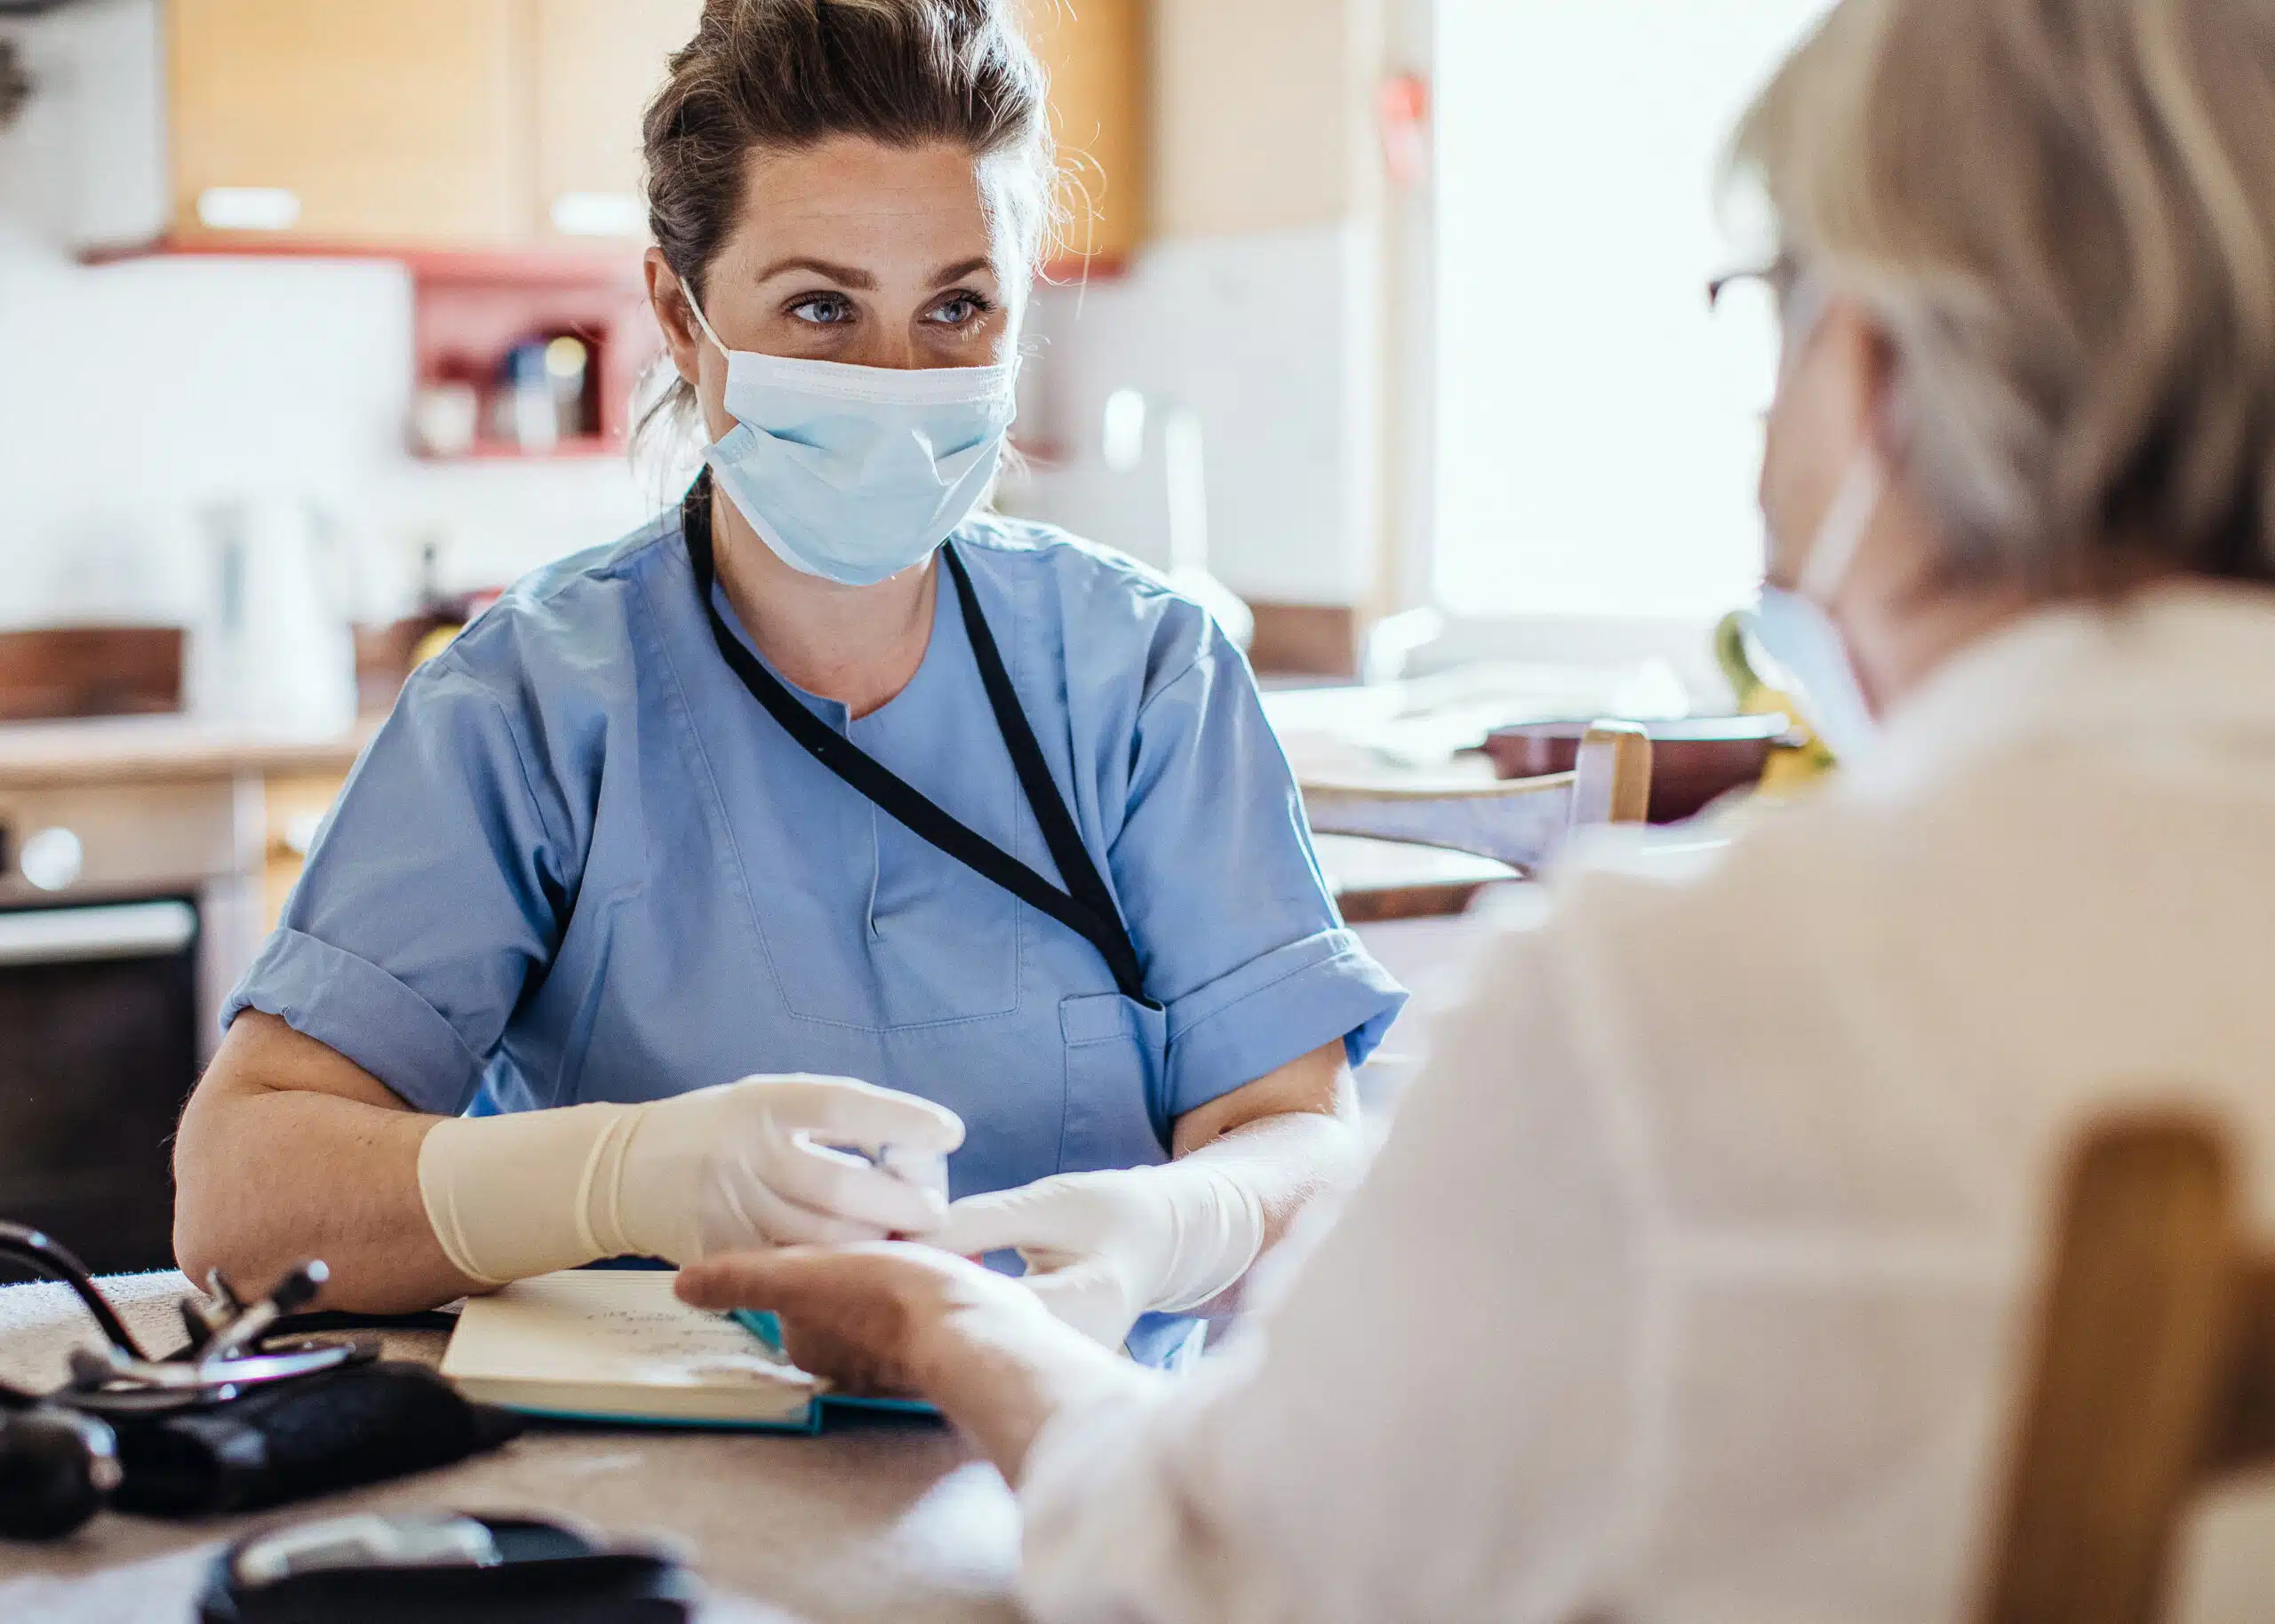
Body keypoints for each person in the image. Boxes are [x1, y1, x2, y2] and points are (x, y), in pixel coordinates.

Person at [673, 0, 2275, 1616]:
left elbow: (1217, 1577)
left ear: (1870, 366)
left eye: (1768, 308)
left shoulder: (1677, 1004)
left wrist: (967, 1333)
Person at [171, 0, 1404, 1366]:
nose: (897, 378)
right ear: (680, 318)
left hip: (1072, 1477)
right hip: (654, 1490)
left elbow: (1294, 1135)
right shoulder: (528, 704)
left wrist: (1169, 1228)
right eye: (821, 307)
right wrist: (620, 1175)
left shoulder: (1146, 679)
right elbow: (241, 1198)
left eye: (957, 307)